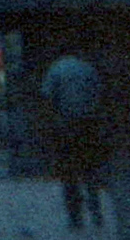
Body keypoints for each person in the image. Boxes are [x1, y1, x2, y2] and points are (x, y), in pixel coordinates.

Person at [38, 51, 108, 229]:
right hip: (87, 124)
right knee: (90, 170)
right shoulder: (87, 68)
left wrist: (51, 124)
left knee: (69, 173)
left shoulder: (56, 69)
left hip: (65, 125)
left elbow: (48, 97)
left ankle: (75, 216)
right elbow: (98, 95)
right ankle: (96, 211)